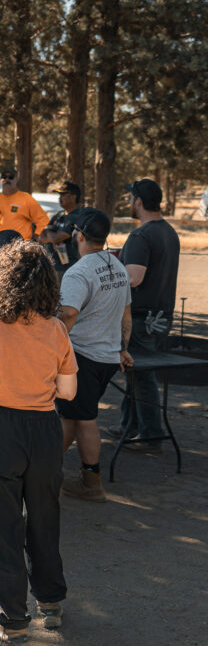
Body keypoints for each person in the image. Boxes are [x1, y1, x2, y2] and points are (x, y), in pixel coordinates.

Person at [0, 240, 78, 646]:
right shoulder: (56, 328)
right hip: (45, 429)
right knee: (45, 515)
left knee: (2, 528)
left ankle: (12, 625)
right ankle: (51, 602)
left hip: (0, 430)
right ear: (48, 283)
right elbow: (68, 389)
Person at [57, 209, 133, 502]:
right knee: (71, 416)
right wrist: (123, 348)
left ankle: (92, 484)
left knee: (83, 417)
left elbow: (68, 314)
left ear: (79, 235)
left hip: (83, 356)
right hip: (107, 357)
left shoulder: (79, 272)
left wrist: (54, 350)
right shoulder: (118, 266)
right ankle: (50, 469)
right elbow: (127, 315)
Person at [115, 179, 180, 452]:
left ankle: (151, 436)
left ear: (138, 201)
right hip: (161, 316)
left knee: (142, 375)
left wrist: (112, 272)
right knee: (137, 372)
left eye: (131, 198)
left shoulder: (142, 236)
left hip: (142, 319)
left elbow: (134, 278)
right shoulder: (169, 232)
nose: (129, 203)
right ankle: (130, 425)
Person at [0, 167, 50, 242]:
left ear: (16, 180)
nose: (7, 180)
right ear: (0, 180)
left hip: (19, 247)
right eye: (4, 177)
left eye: (10, 177)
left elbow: (43, 220)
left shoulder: (26, 199)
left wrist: (36, 236)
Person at [39, 181, 84, 275]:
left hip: (70, 268)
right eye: (59, 195)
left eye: (63, 194)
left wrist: (49, 232)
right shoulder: (58, 215)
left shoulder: (77, 217)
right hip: (52, 267)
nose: (60, 198)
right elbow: (41, 237)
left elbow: (55, 238)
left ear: (73, 196)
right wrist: (51, 234)